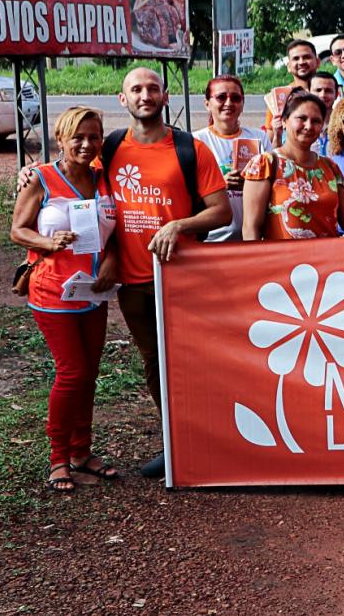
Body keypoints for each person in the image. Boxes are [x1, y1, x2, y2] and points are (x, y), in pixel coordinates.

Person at [105, 68, 230, 477]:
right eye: (136, 89)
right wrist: (30, 173)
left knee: (191, 359)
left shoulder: (190, 149)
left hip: (182, 276)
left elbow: (221, 211)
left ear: (165, 96)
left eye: (152, 89)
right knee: (154, 363)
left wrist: (179, 224)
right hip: (132, 280)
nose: (145, 95)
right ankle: (175, 441)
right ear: (122, 98)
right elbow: (70, 173)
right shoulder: (109, 148)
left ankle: (215, 441)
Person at [10, 106, 119, 491]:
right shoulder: (41, 178)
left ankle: (81, 451)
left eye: (94, 137)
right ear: (61, 139)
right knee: (72, 372)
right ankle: (58, 457)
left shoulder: (103, 178)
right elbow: (18, 230)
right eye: (78, 137)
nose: (87, 144)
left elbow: (114, 230)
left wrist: (111, 260)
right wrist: (47, 242)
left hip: (93, 291)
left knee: (89, 374)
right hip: (53, 291)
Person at [243, 92, 344, 241]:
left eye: (316, 121)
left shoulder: (330, 167)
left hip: (327, 254)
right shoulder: (264, 164)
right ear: (284, 121)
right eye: (302, 118)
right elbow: (251, 228)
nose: (308, 126)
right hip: (283, 256)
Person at [194, 76, 273, 243]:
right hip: (212, 239)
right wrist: (219, 186)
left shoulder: (259, 137)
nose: (229, 103)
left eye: (235, 98)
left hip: (252, 237)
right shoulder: (196, 141)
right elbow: (187, 193)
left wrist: (254, 185)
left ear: (243, 103)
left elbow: (275, 183)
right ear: (207, 103)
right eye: (221, 97)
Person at [265, 38, 320, 145]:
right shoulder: (278, 98)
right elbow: (269, 141)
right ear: (289, 67)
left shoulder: (328, 92)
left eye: (306, 57)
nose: (301, 62)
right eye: (296, 58)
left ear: (317, 62)